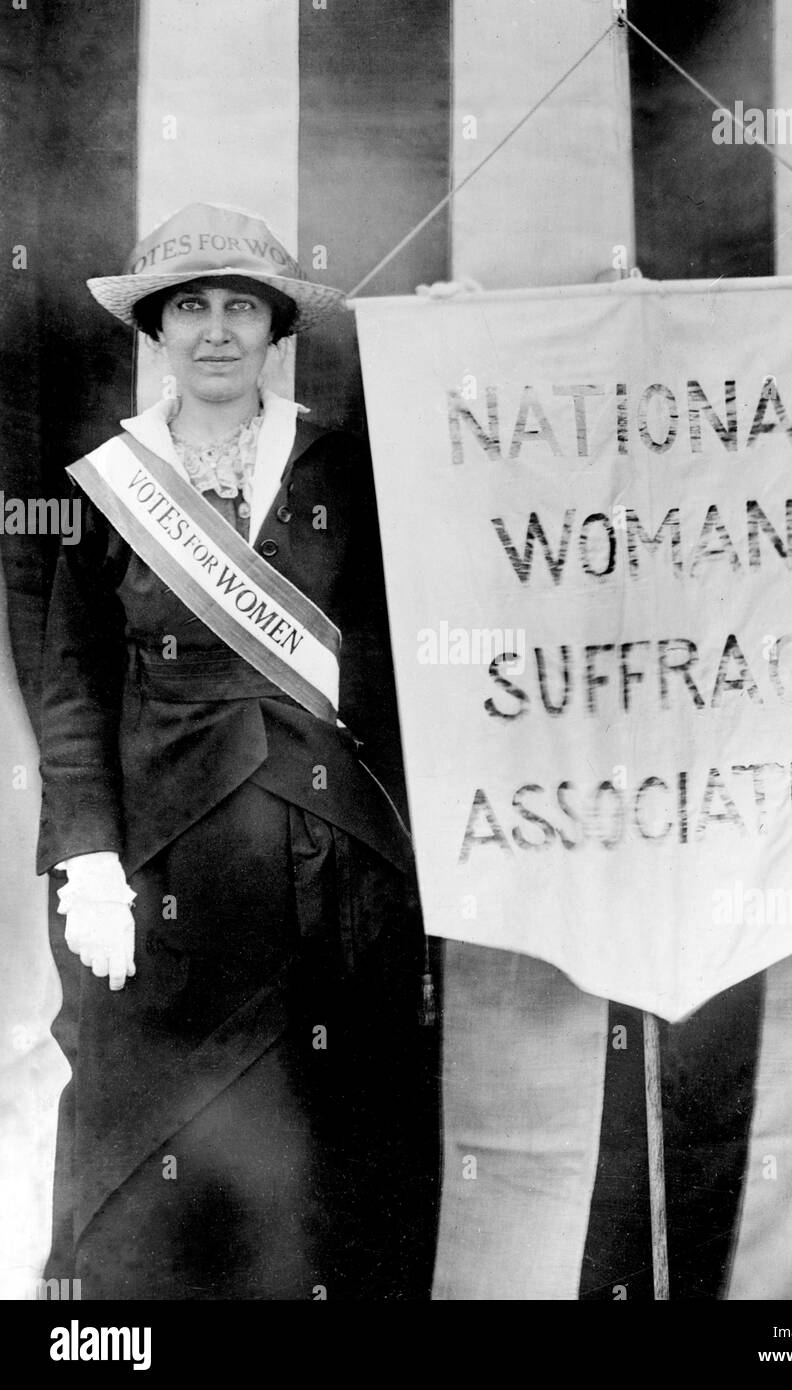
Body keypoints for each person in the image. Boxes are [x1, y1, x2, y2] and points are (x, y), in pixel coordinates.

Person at [36, 203, 437, 1300]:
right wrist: (88, 863)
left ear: (274, 330)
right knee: (153, 1158)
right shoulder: (110, 491)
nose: (217, 329)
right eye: (191, 307)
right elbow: (72, 692)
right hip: (167, 877)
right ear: (156, 332)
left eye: (242, 307)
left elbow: (405, 666)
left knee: (342, 1148)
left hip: (333, 864)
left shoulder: (340, 466)